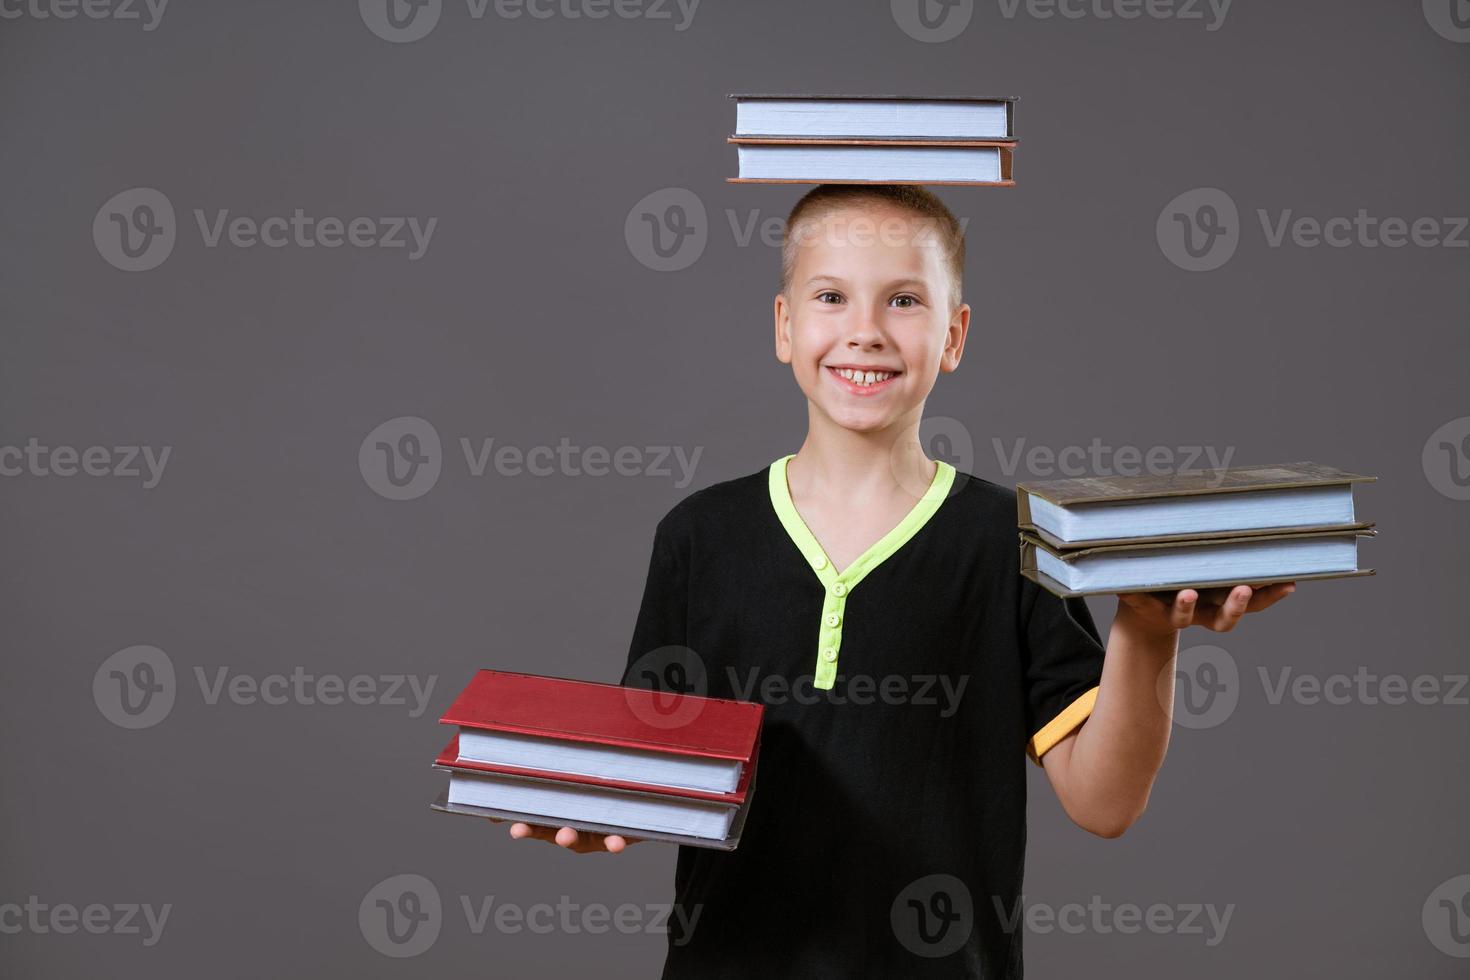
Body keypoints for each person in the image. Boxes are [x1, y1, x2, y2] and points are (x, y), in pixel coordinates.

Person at [499, 183, 1294, 977]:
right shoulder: (698, 537)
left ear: (954, 335)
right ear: (784, 326)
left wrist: (1148, 632)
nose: (865, 331)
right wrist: (601, 805)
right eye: (832, 296)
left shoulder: (1016, 540)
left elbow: (1105, 803)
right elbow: (663, 766)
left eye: (904, 300)